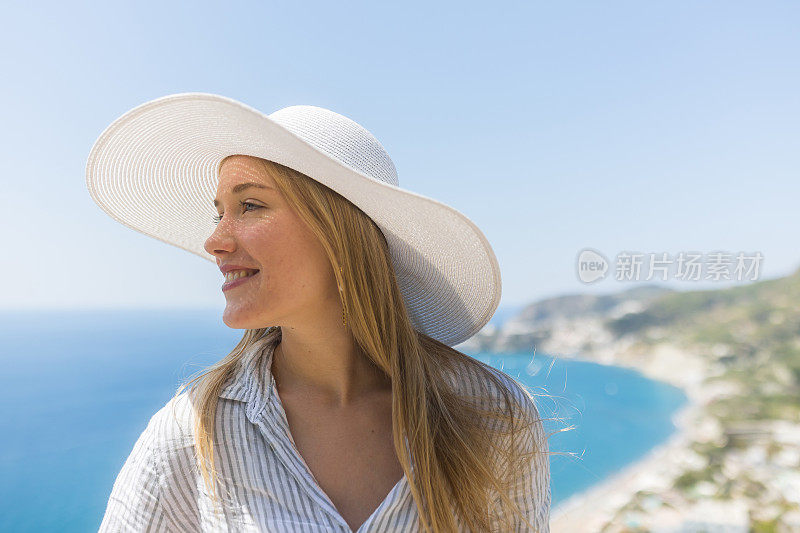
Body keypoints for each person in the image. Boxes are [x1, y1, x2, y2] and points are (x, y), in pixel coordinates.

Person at [87, 93, 552, 532]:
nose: (214, 241)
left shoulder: (493, 415)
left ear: (339, 232)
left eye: (249, 205)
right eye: (219, 213)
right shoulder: (192, 434)